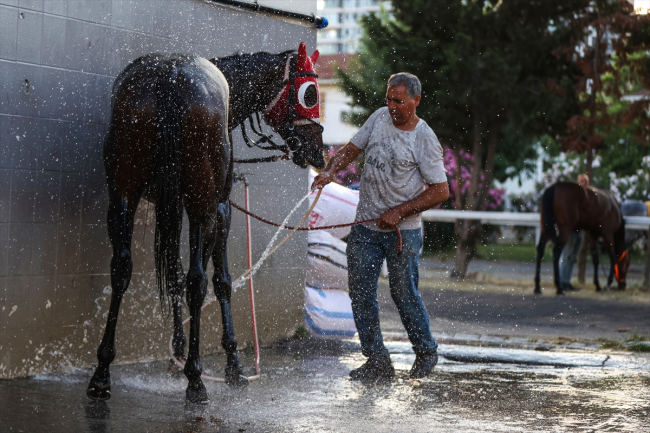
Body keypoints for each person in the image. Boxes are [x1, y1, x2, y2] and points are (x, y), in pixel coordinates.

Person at [311, 72, 450, 380]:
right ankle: (377, 359)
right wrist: (330, 171)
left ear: (416, 101)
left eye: (399, 101)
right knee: (360, 293)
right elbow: (351, 149)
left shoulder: (424, 138)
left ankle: (426, 352)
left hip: (403, 232)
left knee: (404, 293)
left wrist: (400, 211)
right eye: (388, 99)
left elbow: (441, 190)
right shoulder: (378, 119)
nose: (392, 106)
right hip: (367, 227)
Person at [559, 174, 589, 291]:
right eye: (581, 181)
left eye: (585, 181)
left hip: (578, 231)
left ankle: (566, 281)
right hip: (570, 230)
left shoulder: (585, 199)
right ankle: (561, 281)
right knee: (567, 256)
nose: (583, 183)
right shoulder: (571, 197)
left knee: (572, 257)